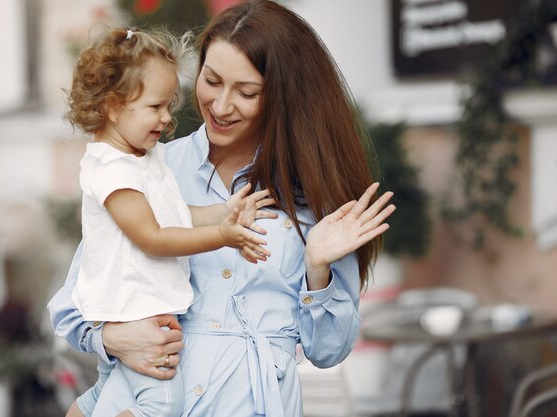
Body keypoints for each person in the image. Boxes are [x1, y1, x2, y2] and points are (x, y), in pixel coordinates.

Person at [48, 1, 396, 416]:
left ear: (282, 98)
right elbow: (74, 302)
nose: (220, 105)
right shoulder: (148, 169)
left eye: (246, 92)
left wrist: (317, 268)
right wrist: (112, 338)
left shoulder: (316, 195)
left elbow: (328, 352)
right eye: (211, 80)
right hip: (156, 398)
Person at [61, 26, 277, 417]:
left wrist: (222, 212)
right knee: (158, 408)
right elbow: (154, 237)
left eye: (168, 105)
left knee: (107, 394)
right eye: (155, 107)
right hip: (137, 314)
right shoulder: (114, 172)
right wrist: (221, 236)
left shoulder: (143, 157)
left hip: (145, 311)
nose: (166, 118)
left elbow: (174, 215)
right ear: (112, 106)